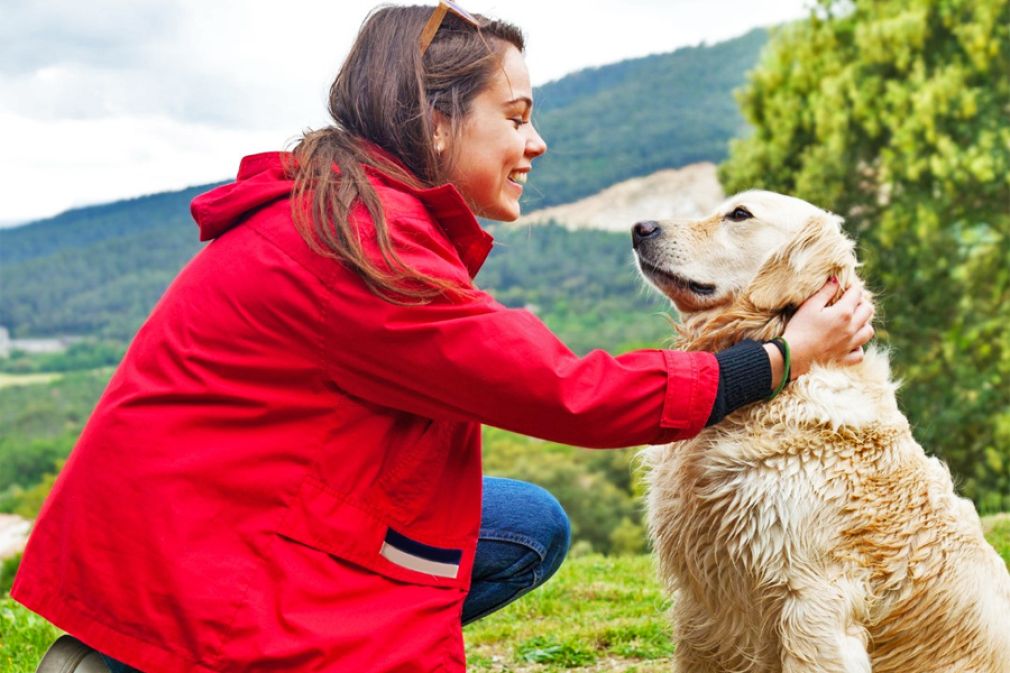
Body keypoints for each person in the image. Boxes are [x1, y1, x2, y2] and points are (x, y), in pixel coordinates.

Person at [16, 3, 874, 673]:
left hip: (210, 522)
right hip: (203, 568)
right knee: (514, 526)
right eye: (515, 116)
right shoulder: (358, 252)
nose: (535, 141)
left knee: (526, 521)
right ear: (434, 122)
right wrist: (780, 356)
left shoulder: (345, 213)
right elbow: (567, 390)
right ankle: (143, 658)